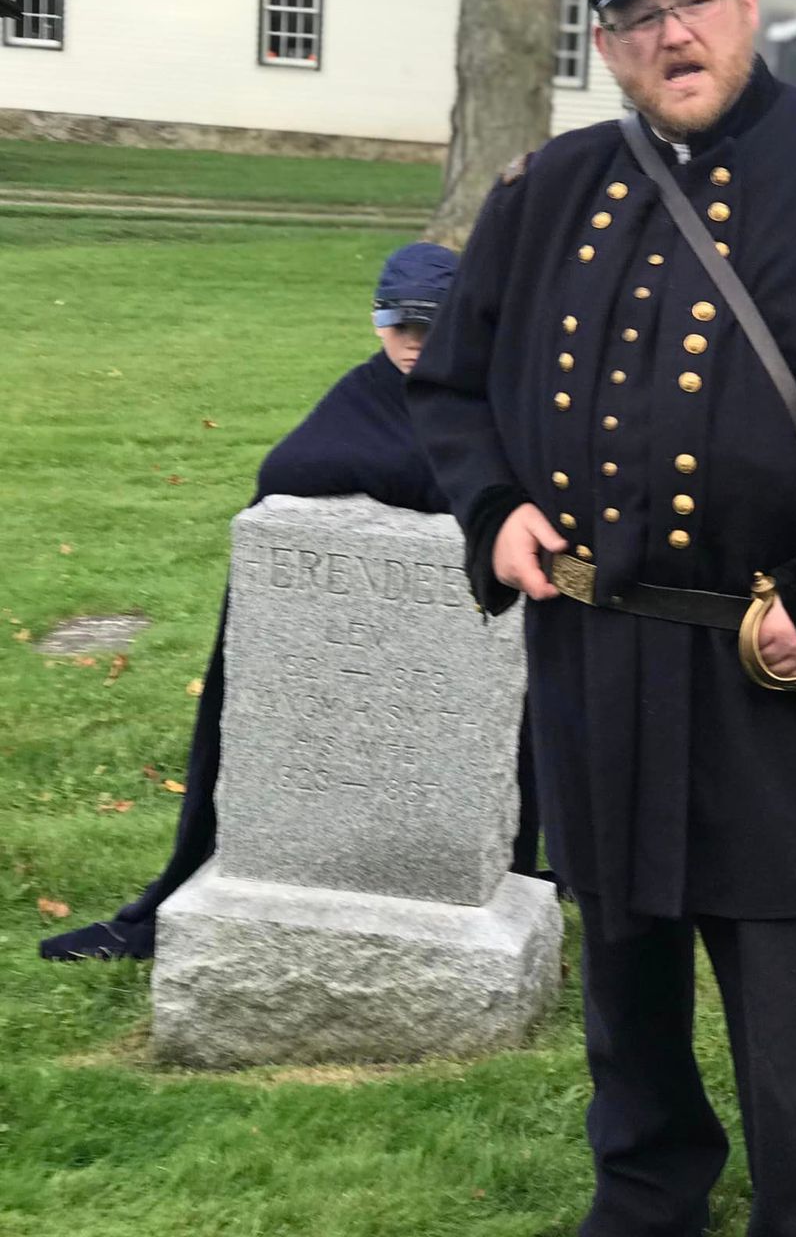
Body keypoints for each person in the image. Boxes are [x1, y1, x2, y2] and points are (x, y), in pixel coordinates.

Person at [407, 0, 796, 1236]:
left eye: (693, 5)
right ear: (605, 49)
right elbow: (452, 385)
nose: (673, 37)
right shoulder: (549, 190)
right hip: (597, 646)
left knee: (780, 966)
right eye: (637, 17)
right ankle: (649, 1192)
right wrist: (494, 509)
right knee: (626, 949)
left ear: (746, 9)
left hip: (764, 652)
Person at [41, 241, 540, 962]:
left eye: (433, 327)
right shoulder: (365, 393)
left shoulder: (494, 398)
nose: (414, 343)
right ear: (378, 322)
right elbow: (292, 469)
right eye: (401, 325)